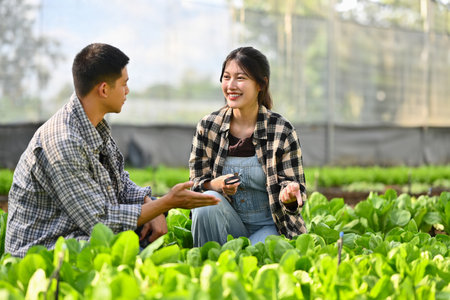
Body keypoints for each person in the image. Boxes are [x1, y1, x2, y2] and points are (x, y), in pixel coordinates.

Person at [5, 43, 220, 257]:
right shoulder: (63, 142)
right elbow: (100, 222)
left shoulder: (93, 125)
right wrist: (167, 202)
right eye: (124, 84)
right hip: (46, 248)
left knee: (150, 223)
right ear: (104, 90)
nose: (128, 91)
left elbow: (120, 182)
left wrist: (149, 204)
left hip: (78, 230)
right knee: (140, 254)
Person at [189, 46, 307, 247]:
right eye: (226, 77)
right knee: (207, 202)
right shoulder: (208, 127)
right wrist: (214, 185)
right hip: (224, 222)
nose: (231, 85)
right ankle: (206, 268)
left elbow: (296, 192)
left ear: (261, 84)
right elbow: (194, 184)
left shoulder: (281, 130)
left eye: (241, 78)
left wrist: (289, 196)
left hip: (270, 225)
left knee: (253, 259)